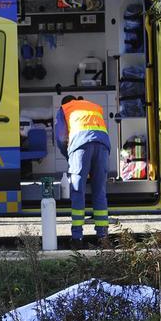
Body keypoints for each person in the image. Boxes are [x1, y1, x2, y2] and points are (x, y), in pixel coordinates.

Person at [54, 95, 110, 248]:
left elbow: (60, 137)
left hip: (80, 148)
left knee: (78, 191)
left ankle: (77, 238)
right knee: (99, 191)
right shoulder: (93, 105)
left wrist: (68, 156)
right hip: (103, 146)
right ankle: (103, 237)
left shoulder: (65, 108)